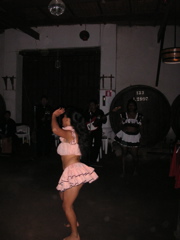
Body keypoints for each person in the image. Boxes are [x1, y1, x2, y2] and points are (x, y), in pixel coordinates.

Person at [51, 107, 98, 240]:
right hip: (70, 172)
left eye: (65, 116)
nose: (63, 119)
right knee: (63, 197)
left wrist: (53, 116)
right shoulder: (71, 133)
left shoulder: (70, 133)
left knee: (66, 205)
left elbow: (54, 130)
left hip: (73, 172)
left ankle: (75, 235)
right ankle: (73, 221)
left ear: (71, 120)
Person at [114, 99, 143, 176]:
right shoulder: (124, 115)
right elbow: (119, 125)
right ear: (127, 106)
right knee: (124, 153)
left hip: (135, 137)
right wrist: (122, 125)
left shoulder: (139, 116)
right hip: (125, 136)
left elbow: (141, 127)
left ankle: (135, 170)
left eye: (132, 105)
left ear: (135, 106)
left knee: (135, 155)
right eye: (129, 105)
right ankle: (123, 171)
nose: (131, 107)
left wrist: (141, 136)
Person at [84, 99, 107, 164]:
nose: (91, 106)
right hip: (89, 131)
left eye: (93, 105)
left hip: (97, 130)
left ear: (96, 105)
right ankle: (88, 159)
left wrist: (103, 118)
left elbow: (104, 121)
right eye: (90, 105)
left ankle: (93, 160)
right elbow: (84, 121)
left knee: (97, 144)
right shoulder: (87, 112)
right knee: (88, 145)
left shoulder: (100, 112)